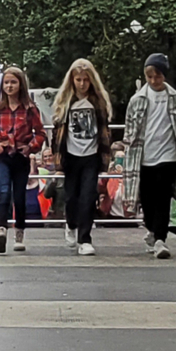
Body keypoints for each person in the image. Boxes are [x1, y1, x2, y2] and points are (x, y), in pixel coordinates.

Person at [122, 53, 176, 259]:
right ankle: (152, 230)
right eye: (149, 76)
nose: (153, 80)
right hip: (143, 156)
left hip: (168, 155)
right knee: (147, 198)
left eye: (157, 76)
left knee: (163, 196)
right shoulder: (137, 100)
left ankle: (161, 237)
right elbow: (129, 129)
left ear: (164, 75)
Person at [51, 59, 114, 256]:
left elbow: (105, 132)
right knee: (71, 198)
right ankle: (71, 224)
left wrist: (105, 159)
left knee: (88, 197)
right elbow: (57, 134)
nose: (81, 84)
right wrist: (58, 160)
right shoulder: (65, 103)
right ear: (72, 80)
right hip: (71, 156)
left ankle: (85, 238)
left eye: (85, 80)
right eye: (78, 79)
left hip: (91, 156)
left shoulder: (97, 102)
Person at [0, 68, 45, 255]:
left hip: (21, 156)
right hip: (3, 155)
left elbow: (41, 134)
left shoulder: (30, 109)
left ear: (20, 84)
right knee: (4, 191)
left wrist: (30, 148)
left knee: (19, 196)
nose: (9, 86)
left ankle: (19, 233)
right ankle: (1, 229)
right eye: (6, 82)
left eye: (13, 82)